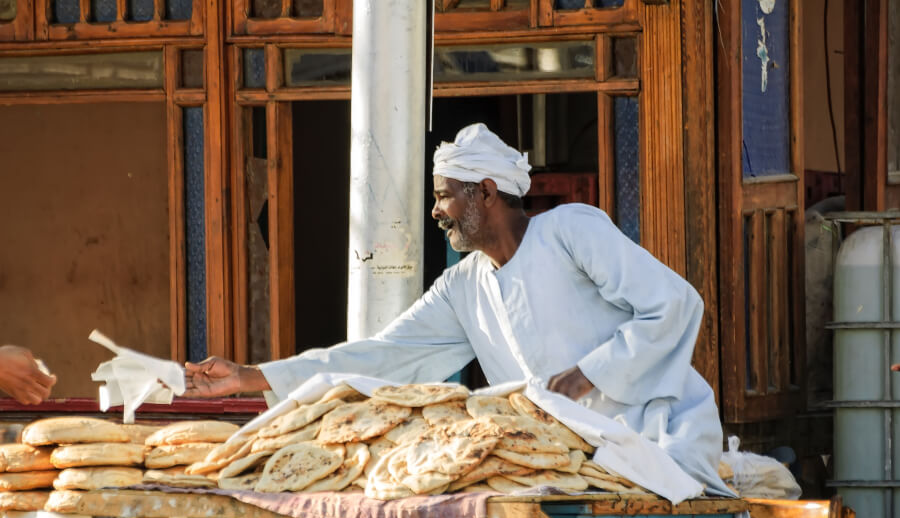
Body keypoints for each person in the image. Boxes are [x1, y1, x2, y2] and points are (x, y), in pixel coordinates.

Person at [184, 122, 724, 488]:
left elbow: (675, 304)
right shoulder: (461, 286)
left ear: (486, 192)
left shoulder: (570, 230)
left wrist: (586, 375)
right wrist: (252, 376)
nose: (437, 211)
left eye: (445, 195)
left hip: (659, 444)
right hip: (575, 468)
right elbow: (381, 357)